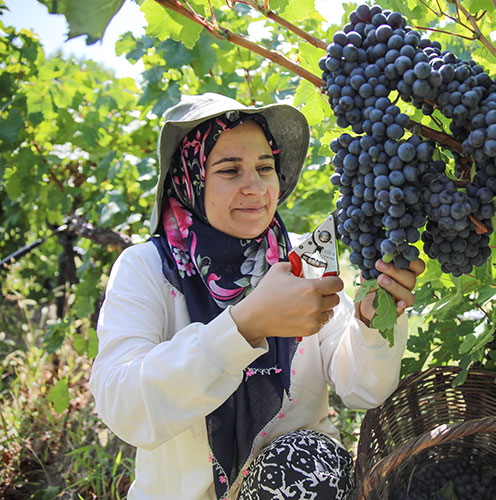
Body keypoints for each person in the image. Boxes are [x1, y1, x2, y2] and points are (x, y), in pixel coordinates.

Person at [89, 92, 425, 500]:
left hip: (301, 489)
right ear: (190, 178)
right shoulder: (147, 268)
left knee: (306, 461)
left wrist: (372, 325)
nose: (255, 187)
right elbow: (125, 407)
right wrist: (242, 327)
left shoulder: (304, 258)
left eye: (265, 168)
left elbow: (361, 389)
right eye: (230, 170)